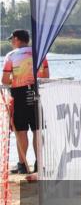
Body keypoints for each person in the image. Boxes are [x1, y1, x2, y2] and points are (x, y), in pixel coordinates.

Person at [2, 30, 50, 174]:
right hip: (37, 93)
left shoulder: (11, 56)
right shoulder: (39, 54)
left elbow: (4, 80)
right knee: (37, 129)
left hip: (20, 95)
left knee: (21, 131)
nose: (11, 42)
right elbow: (46, 76)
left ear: (17, 39)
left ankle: (22, 164)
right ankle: (39, 164)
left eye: (12, 40)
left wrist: (16, 80)